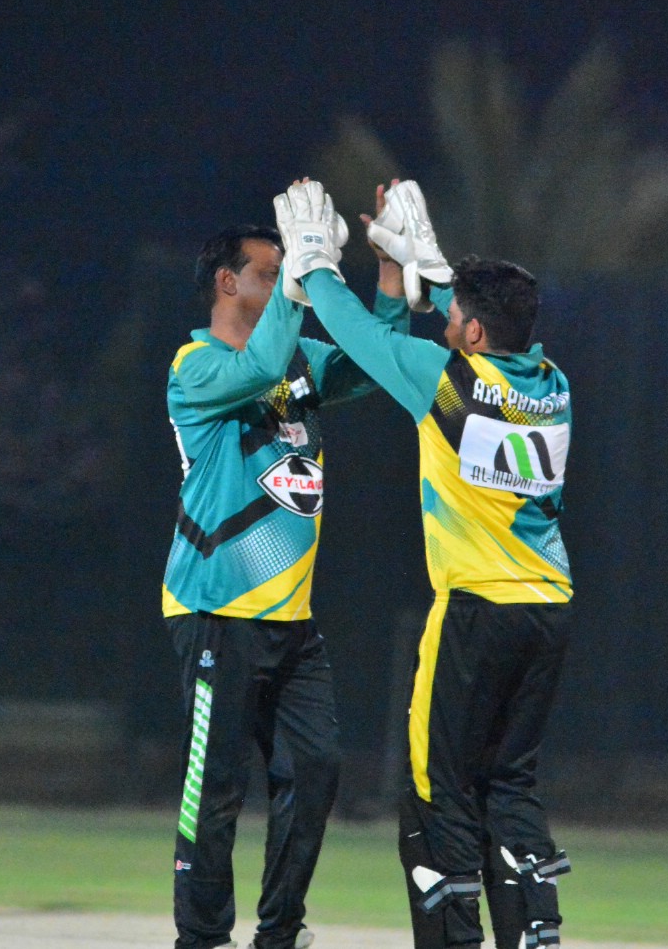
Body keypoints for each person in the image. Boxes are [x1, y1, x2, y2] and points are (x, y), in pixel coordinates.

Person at [276, 179, 574, 949]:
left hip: (477, 612)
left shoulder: (446, 383)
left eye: (450, 319)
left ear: (470, 334)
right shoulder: (551, 386)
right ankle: (534, 934)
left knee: (432, 788)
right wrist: (428, 263)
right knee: (507, 782)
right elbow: (485, 317)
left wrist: (313, 264)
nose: (440, 325)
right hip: (547, 610)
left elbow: (356, 335)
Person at [163, 219, 407, 949]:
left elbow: (377, 363)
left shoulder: (295, 355)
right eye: (269, 274)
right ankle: (201, 938)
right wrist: (300, 289)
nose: (281, 285)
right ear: (225, 282)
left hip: (291, 620)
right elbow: (262, 365)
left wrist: (389, 277)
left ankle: (280, 933)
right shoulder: (195, 366)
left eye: (284, 273)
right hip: (215, 607)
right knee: (216, 787)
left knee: (317, 769)